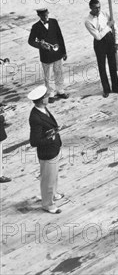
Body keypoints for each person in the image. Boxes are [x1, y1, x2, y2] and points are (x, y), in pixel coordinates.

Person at [28, 85, 64, 214]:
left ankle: (53, 194)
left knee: (53, 176)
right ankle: (48, 204)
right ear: (42, 100)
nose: (48, 97)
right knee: (48, 179)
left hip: (53, 150)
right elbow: (34, 142)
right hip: (47, 152)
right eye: (46, 96)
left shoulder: (43, 109)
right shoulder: (36, 117)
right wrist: (51, 139)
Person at [28, 8, 68, 103]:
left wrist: (64, 52)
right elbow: (30, 41)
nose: (45, 17)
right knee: (48, 75)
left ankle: (60, 90)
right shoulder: (35, 26)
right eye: (43, 16)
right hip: (46, 55)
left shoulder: (54, 22)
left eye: (46, 15)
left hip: (57, 52)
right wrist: (40, 45)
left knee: (59, 72)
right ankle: (50, 93)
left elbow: (60, 37)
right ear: (39, 15)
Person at [84, 0, 118, 97]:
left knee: (113, 64)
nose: (98, 10)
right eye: (95, 8)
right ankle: (106, 89)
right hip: (99, 44)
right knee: (102, 67)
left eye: (99, 7)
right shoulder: (88, 21)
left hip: (110, 39)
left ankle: (116, 87)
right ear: (91, 8)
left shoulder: (105, 14)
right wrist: (108, 26)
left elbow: (115, 27)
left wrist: (116, 41)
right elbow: (98, 36)